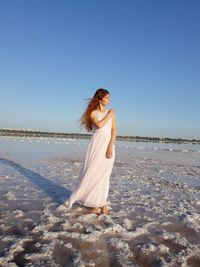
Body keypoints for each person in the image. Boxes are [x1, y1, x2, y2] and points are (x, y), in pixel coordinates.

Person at [68, 88, 116, 215]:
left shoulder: (111, 112)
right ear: (99, 99)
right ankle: (95, 202)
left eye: (109, 98)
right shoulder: (93, 113)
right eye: (106, 98)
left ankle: (102, 202)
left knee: (105, 174)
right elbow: (99, 126)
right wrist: (110, 114)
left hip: (108, 144)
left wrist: (111, 146)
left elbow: (114, 131)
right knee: (94, 172)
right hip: (97, 144)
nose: (109, 100)